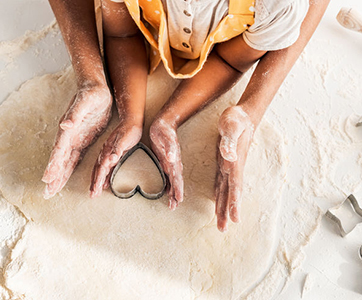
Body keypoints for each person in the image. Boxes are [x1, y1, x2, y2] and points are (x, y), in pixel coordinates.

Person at [42, 0, 330, 232]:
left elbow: (230, 60)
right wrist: (129, 116)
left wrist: (172, 117)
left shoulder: (278, 6)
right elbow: (123, 32)